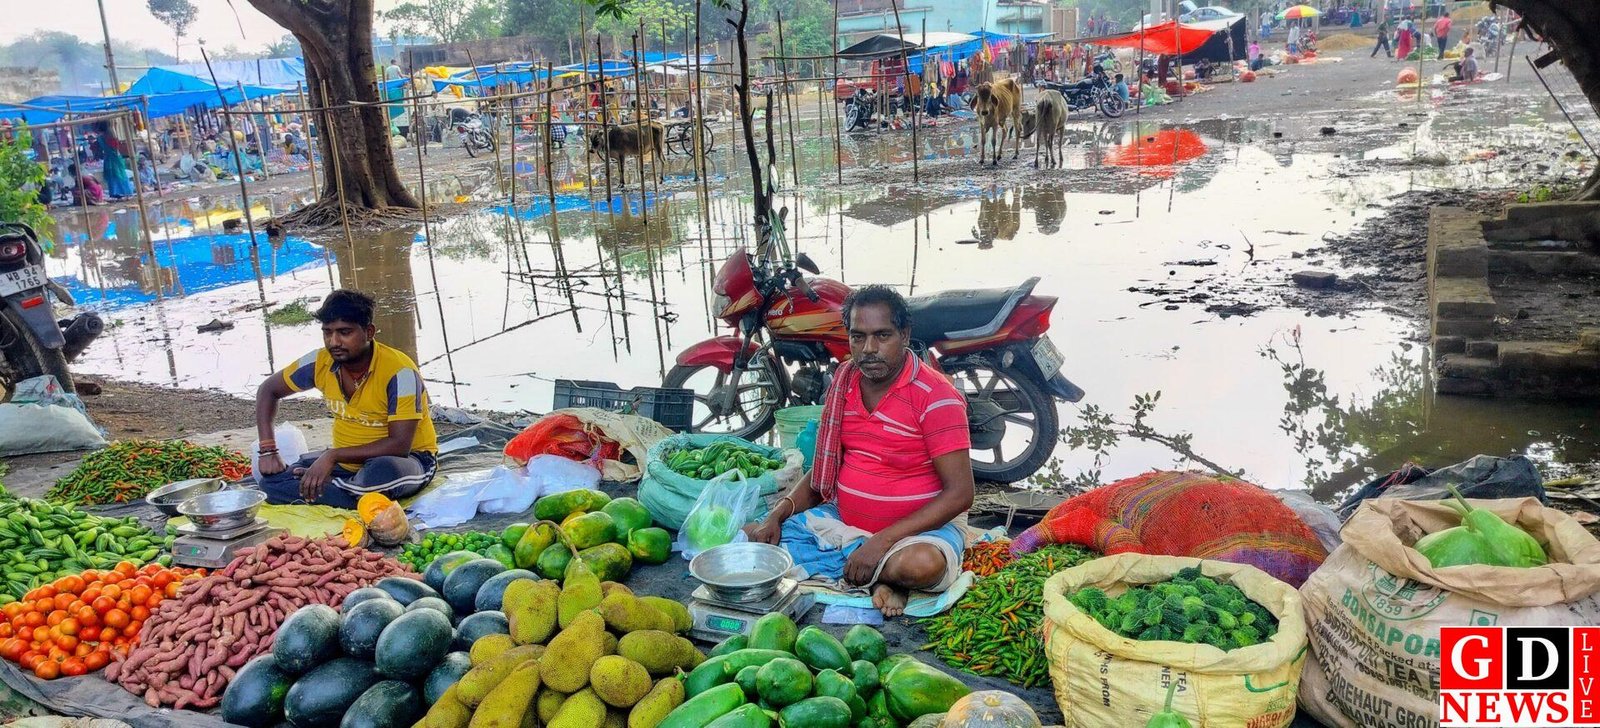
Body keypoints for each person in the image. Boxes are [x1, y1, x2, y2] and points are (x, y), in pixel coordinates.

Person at [743, 286, 973, 617]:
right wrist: (776, 515)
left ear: (905, 335)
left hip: (917, 535)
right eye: (858, 337)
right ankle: (878, 578)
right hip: (843, 523)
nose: (868, 349)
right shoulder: (844, 383)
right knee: (754, 537)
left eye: (882, 335)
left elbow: (961, 494)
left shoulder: (936, 396)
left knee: (919, 565)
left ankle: (876, 570)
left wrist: (880, 542)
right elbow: (824, 470)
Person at [254, 290, 439, 508]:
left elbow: (400, 445)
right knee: (270, 483)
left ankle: (336, 489)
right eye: (327, 332)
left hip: (407, 460)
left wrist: (331, 456)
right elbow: (268, 390)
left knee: (381, 474)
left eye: (344, 332)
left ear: (369, 332)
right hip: (347, 463)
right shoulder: (319, 362)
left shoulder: (400, 372)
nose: (334, 342)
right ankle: (346, 489)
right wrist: (268, 449)